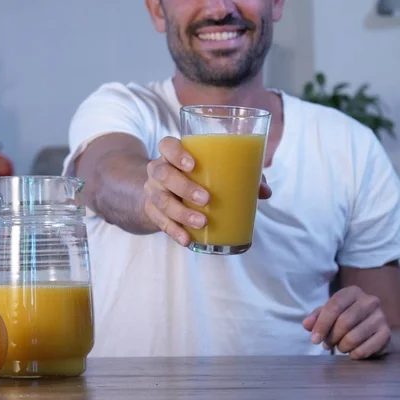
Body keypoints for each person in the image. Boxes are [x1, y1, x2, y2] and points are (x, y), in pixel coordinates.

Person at [62, 0, 400, 359]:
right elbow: (102, 176)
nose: (220, 7)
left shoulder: (350, 144)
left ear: (277, 4)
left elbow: (390, 328)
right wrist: (152, 195)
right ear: (158, 11)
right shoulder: (119, 108)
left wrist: (374, 334)